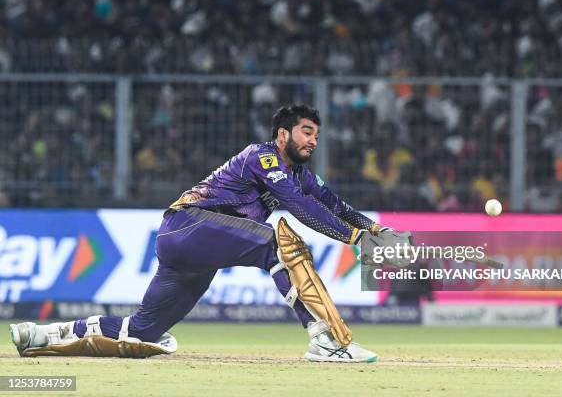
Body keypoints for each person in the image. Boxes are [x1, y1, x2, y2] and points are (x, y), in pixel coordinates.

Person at [10, 105, 390, 363]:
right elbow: (303, 207)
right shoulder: (263, 157)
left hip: (193, 245)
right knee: (277, 241)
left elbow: (333, 203)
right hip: (190, 225)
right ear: (282, 134)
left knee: (142, 331)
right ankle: (324, 337)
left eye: (317, 136)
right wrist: (354, 240)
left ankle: (40, 335)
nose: (313, 141)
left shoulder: (301, 174)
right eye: (306, 132)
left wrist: (372, 228)